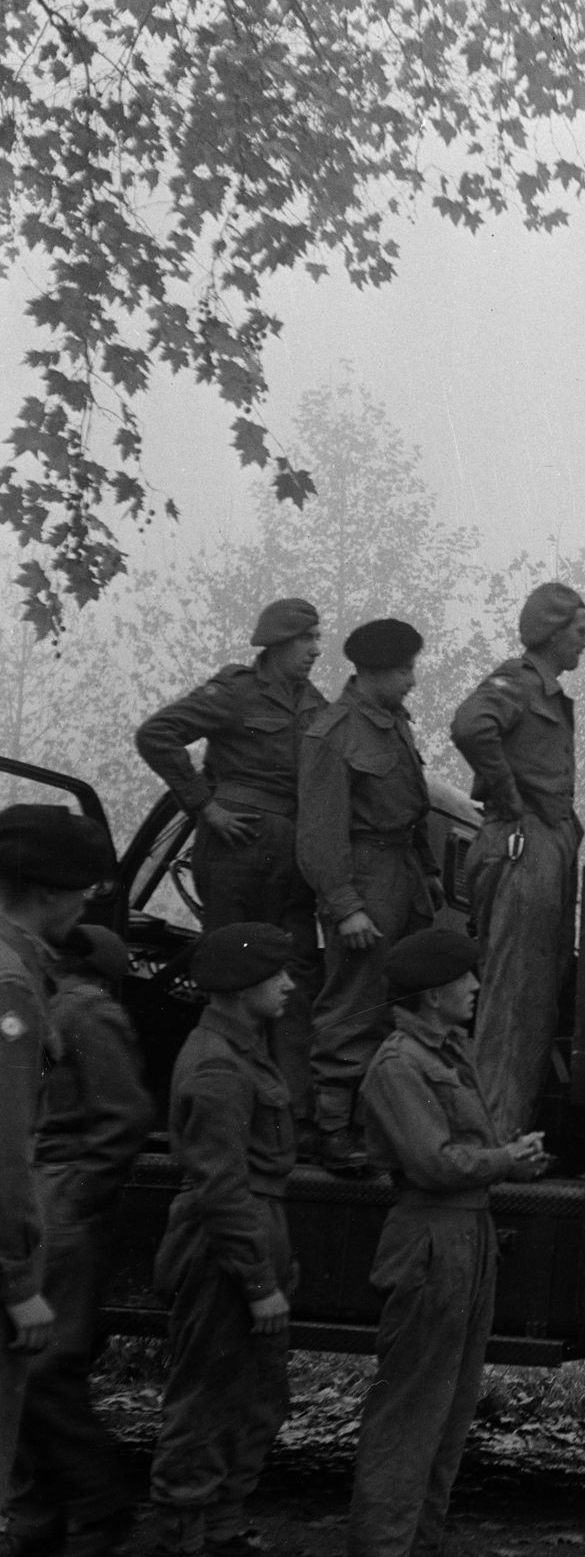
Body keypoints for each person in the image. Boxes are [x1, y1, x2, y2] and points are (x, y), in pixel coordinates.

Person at [344, 932, 547, 1557]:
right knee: (412, 1405)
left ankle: (416, 1550)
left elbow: (465, 1147)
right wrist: (504, 1161)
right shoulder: (398, 1066)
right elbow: (432, 1162)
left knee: (453, 1404)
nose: (476, 989)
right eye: (464, 981)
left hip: (467, 1232)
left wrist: (507, 1158)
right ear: (433, 996)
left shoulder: (444, 1054)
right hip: (431, 1236)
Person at [146, 922, 300, 1557]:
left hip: (252, 1230)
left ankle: (224, 1529)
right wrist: (259, 1281)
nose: (290, 984)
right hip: (223, 1245)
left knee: (258, 1393)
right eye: (277, 976)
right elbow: (220, 1186)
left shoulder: (243, 1048)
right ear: (241, 989)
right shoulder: (217, 1065)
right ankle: (179, 1548)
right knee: (206, 1398)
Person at [135, 599, 326, 1140]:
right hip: (236, 855)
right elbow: (157, 734)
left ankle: (292, 1120)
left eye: (318, 639)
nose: (315, 650)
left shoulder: (315, 704)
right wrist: (204, 806)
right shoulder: (236, 691)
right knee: (230, 982)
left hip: (292, 863)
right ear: (276, 643)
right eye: (306, 639)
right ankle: (218, 1119)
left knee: (294, 983)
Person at [3, 926, 153, 1557]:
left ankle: (100, 1510)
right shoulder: (45, 1004)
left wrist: (75, 1196)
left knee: (42, 1369)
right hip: (38, 1193)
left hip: (59, 1195)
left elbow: (123, 1118)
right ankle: (39, 1522)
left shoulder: (86, 1012)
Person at [297, 618, 442, 1175]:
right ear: (374, 671)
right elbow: (319, 834)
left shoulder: (392, 724)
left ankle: (375, 1126)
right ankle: (333, 1130)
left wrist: (426, 872)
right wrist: (345, 905)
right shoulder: (333, 734)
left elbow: (411, 806)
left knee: (397, 1007)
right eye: (405, 670)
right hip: (363, 882)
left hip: (402, 875)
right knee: (353, 1003)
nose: (412, 681)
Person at [0, 806, 114, 1507]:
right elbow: (5, 1146)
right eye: (81, 892)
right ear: (47, 893)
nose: (83, 907)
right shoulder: (12, 988)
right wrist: (17, 1283)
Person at [451, 583, 585, 1139]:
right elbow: (468, 726)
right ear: (553, 633)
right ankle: (492, 1140)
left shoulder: (545, 692)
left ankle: (506, 1135)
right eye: (580, 630)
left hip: (546, 844)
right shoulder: (515, 682)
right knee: (514, 1002)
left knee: (536, 1000)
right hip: (523, 843)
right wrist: (509, 797)